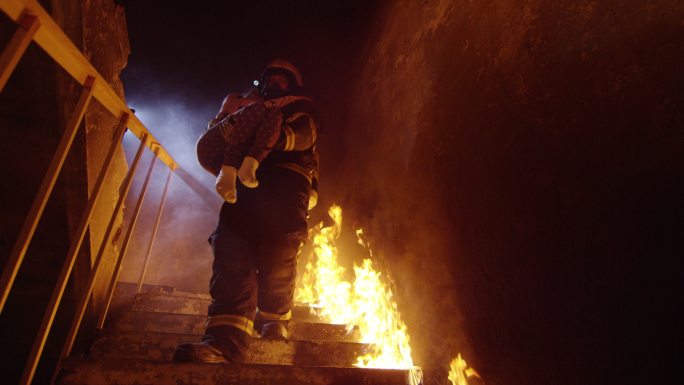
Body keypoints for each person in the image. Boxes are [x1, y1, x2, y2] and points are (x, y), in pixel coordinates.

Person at [174, 59, 320, 363]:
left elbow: (306, 135)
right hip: (245, 188)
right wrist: (226, 120)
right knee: (231, 251)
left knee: (279, 254)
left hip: (286, 185)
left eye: (283, 80)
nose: (276, 84)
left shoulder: (299, 108)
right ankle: (223, 342)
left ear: (293, 86)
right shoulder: (245, 110)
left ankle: (273, 321)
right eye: (272, 79)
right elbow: (217, 138)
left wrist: (272, 140)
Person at [196, 89, 282, 203]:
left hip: (219, 154)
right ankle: (230, 169)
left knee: (273, 114)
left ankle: (243, 168)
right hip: (211, 144)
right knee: (263, 109)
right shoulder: (240, 101)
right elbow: (271, 104)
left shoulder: (260, 113)